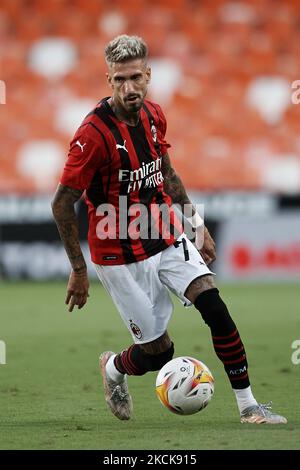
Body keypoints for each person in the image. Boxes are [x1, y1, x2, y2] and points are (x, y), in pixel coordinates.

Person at [52, 35, 287, 425]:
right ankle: (113, 369)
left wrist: (197, 226)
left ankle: (249, 407)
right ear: (108, 80)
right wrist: (79, 270)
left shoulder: (155, 115)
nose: (128, 88)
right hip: (119, 254)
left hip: (163, 234)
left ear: (148, 75)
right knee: (158, 352)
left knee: (215, 306)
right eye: (118, 80)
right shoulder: (92, 135)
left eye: (135, 78)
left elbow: (169, 176)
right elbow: (62, 202)